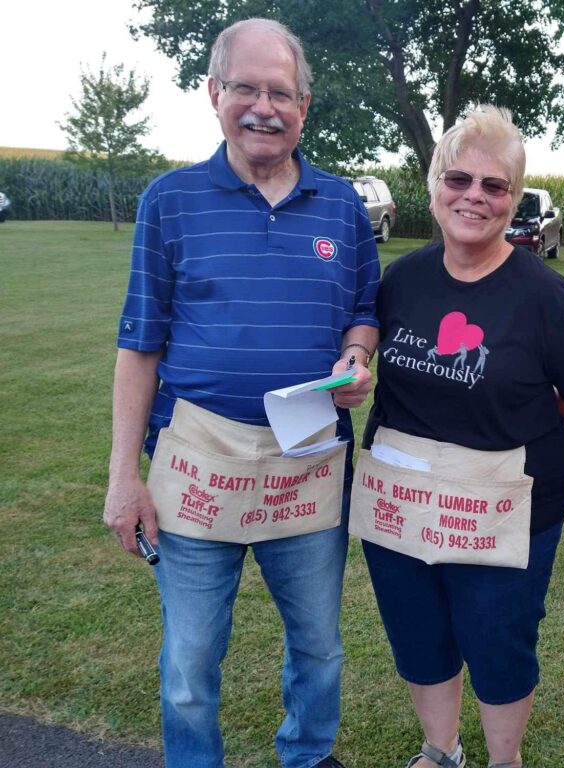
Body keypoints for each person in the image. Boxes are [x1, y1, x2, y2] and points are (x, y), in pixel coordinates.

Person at [102, 18, 380, 768]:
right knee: (191, 661)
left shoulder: (343, 206)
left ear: (304, 106)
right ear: (215, 93)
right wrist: (124, 479)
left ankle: (308, 755)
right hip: (198, 461)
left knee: (318, 644)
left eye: (281, 92)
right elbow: (140, 345)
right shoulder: (170, 200)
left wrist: (356, 356)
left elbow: (363, 310)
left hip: (308, 462)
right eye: (247, 89)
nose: (264, 106)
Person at [350, 106, 564, 768]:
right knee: (418, 629)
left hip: (503, 506)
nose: (474, 197)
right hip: (400, 495)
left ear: (514, 200)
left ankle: (503, 760)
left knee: (498, 636)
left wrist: (505, 437)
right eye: (458, 179)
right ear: (433, 183)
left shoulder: (547, 298)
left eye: (494, 186)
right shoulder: (401, 279)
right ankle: (441, 749)